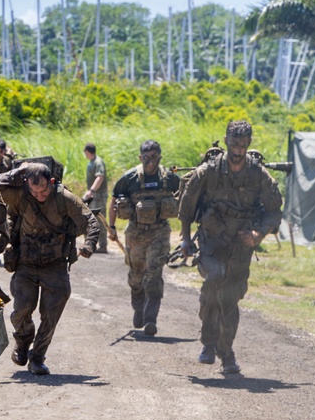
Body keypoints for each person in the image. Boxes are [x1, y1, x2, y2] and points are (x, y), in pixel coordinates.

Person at [178, 120, 282, 374]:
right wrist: (185, 239)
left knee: (230, 299)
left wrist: (258, 235)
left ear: (248, 145)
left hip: (240, 244)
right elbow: (186, 206)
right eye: (234, 145)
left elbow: (274, 211)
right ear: (226, 141)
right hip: (211, 241)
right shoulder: (208, 172)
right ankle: (209, 345)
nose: (238, 151)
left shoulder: (258, 174)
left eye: (243, 146)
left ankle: (226, 353)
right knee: (214, 279)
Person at [0, 161, 99, 375]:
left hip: (55, 264)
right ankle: (23, 340)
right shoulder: (21, 195)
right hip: (26, 262)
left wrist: (89, 245)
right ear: (26, 185)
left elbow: (90, 220)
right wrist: (18, 170)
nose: (40, 195)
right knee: (21, 310)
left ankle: (38, 357)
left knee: (51, 314)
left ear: (51, 182)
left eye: (44, 189)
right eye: (34, 191)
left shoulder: (64, 198)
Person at [109, 140, 181, 335]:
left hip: (159, 232)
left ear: (160, 157)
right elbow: (114, 200)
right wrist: (112, 227)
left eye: (154, 157)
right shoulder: (130, 178)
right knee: (136, 277)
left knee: (154, 274)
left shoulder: (170, 178)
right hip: (136, 233)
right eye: (147, 158)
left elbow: (185, 198)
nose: (151, 162)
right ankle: (138, 305)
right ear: (141, 158)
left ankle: (151, 320)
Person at [83, 142, 108, 253]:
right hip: (94, 195)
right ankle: (93, 244)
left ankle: (103, 246)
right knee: (92, 219)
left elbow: (100, 177)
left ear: (87, 152)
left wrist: (91, 191)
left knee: (99, 219)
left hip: (99, 196)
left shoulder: (98, 162)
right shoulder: (92, 162)